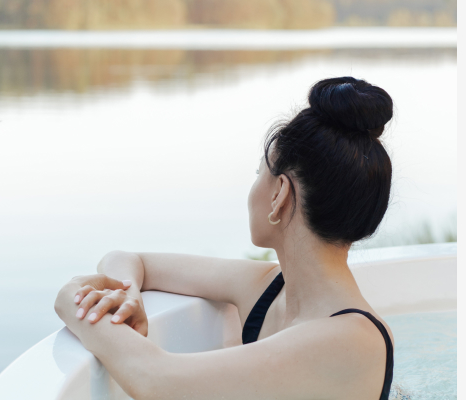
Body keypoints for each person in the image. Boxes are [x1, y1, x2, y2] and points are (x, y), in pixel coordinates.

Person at [53, 76, 396, 400]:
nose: (251, 189)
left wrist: (74, 301)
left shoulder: (353, 340)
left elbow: (155, 380)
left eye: (259, 173)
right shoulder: (269, 288)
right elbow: (130, 259)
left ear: (280, 193)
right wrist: (127, 293)